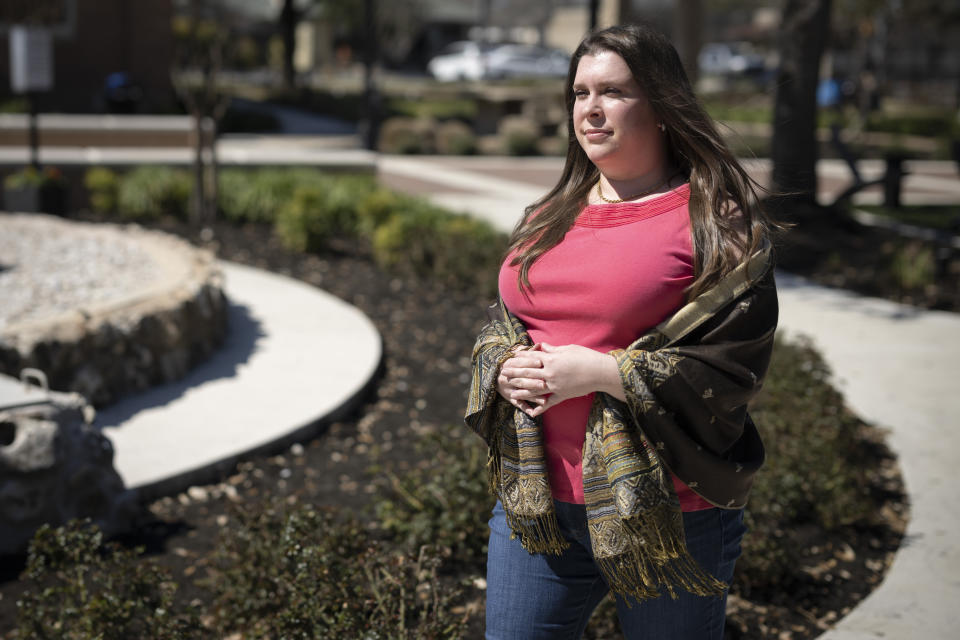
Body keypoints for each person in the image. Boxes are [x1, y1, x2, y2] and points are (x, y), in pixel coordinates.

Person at [465, 23, 780, 640]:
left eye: (612, 91)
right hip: (536, 503)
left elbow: (735, 364)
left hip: (670, 512)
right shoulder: (549, 214)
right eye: (580, 93)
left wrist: (601, 373)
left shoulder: (715, 222)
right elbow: (509, 321)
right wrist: (502, 364)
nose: (591, 110)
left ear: (662, 105)